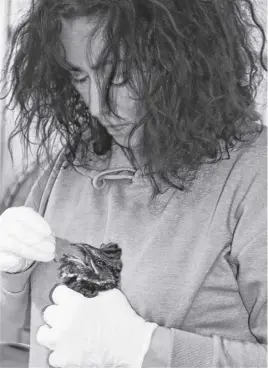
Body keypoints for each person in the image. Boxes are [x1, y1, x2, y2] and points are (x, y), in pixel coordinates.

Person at [0, 0, 267, 367]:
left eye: (119, 75)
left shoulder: (255, 174)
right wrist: (10, 276)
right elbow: (12, 335)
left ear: (180, 58)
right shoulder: (73, 163)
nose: (97, 106)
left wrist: (145, 349)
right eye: (79, 76)